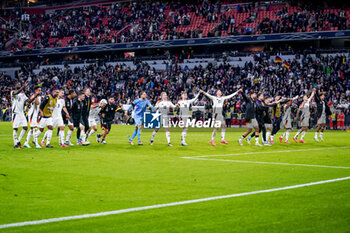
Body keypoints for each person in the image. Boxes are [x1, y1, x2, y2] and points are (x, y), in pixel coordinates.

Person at [11, 82, 40, 149]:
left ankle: (18, 141)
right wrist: (23, 87)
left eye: (20, 84)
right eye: (17, 84)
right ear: (15, 86)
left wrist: (35, 96)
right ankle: (15, 144)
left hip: (21, 113)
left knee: (25, 127)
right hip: (15, 113)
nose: (19, 85)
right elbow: (16, 93)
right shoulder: (12, 92)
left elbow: (29, 101)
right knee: (15, 128)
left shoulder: (23, 95)